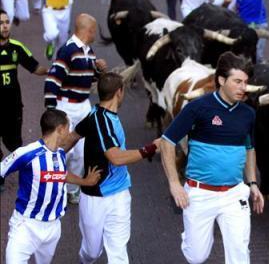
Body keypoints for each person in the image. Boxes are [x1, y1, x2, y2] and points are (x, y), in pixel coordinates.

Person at [159, 52, 264, 264]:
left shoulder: (248, 114)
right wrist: (174, 184)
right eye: (237, 82)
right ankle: (190, 238)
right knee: (196, 257)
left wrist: (252, 183)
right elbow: (166, 141)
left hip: (235, 194)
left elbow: (249, 148)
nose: (243, 88)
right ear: (221, 80)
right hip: (199, 194)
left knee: (240, 256)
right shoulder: (198, 108)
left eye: (245, 82)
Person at [62, 73, 158, 264]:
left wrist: (58, 153)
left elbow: (73, 136)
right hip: (96, 197)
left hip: (120, 194)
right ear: (119, 92)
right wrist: (150, 148)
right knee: (91, 252)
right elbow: (116, 158)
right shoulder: (99, 120)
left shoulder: (102, 116)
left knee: (118, 251)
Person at [1, 109, 101, 264]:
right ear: (60, 129)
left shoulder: (60, 153)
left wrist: (85, 181)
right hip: (26, 226)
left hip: (53, 228)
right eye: (68, 128)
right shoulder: (27, 153)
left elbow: (61, 174)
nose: (69, 133)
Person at [43, 13, 108, 204]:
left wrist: (98, 69)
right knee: (63, 150)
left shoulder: (88, 51)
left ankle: (71, 190)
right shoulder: (67, 51)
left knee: (81, 151)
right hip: (67, 108)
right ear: (88, 30)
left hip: (83, 106)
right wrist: (52, 111)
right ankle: (55, 188)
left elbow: (89, 78)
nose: (95, 33)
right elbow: (52, 80)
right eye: (94, 30)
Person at [0, 9, 48, 193]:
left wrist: (53, 70)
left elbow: (35, 67)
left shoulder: (16, 47)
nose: (5, 25)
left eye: (6, 21)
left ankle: (24, 175)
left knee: (14, 144)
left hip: (13, 105)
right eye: (1, 22)